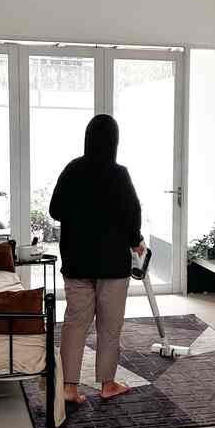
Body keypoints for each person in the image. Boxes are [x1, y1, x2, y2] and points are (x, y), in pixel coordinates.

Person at [49, 114, 143, 403]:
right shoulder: (119, 174)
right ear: (114, 141)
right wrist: (135, 240)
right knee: (109, 326)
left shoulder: (72, 170)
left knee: (75, 323)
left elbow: (54, 210)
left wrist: (82, 214)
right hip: (112, 266)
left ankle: (69, 388)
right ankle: (107, 384)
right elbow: (132, 214)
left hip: (77, 263)